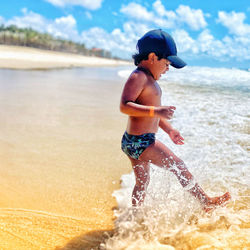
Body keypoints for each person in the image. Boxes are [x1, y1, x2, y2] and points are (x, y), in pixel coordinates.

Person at [120, 29, 231, 212]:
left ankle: (135, 217)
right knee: (177, 165)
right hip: (142, 142)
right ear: (153, 57)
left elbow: (151, 115)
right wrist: (157, 109)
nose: (168, 68)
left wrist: (169, 129)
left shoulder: (148, 79)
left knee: (142, 182)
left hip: (133, 141)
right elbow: (125, 106)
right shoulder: (138, 77)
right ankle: (205, 202)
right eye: (167, 62)